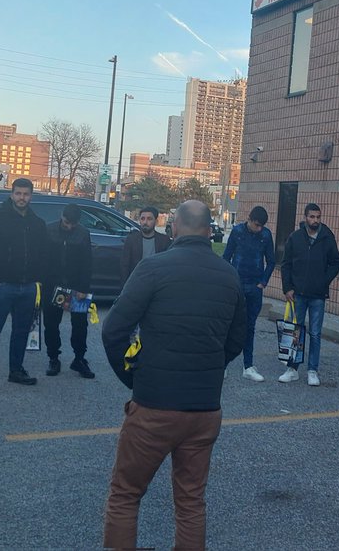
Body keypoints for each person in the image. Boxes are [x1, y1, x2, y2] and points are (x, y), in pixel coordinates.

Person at [100, 200, 246, 550]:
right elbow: (237, 339)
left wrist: (133, 377)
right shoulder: (229, 274)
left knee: (125, 494)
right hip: (204, 408)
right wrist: (207, 368)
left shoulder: (153, 268)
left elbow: (114, 330)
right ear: (210, 231)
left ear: (174, 228)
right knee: (191, 500)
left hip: (154, 405)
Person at [0, 178, 48, 389]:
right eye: (18, 193)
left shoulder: (37, 223)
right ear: (12, 194)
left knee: (21, 331)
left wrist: (39, 279)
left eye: (26, 194)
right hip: (3, 285)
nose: (21, 198)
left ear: (31, 196)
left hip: (28, 286)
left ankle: (16, 370)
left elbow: (44, 254)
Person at [279, 203, 339, 386]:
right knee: (295, 331)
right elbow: (286, 264)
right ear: (305, 217)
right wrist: (287, 287)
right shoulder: (295, 237)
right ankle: (292, 369)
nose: (315, 220)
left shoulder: (326, 237)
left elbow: (336, 262)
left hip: (318, 295)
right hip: (297, 293)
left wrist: (324, 281)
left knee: (315, 333)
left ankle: (312, 370)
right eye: (312, 216)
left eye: (318, 217)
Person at [222, 205, 276, 382]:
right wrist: (230, 280)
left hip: (255, 287)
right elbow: (226, 256)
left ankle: (248, 366)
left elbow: (271, 261)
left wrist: (263, 282)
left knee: (250, 327)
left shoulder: (266, 235)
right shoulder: (237, 232)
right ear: (250, 220)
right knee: (229, 325)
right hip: (237, 285)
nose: (259, 229)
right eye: (257, 225)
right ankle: (222, 365)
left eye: (261, 226)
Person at [44, 203, 96, 378]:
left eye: (73, 224)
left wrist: (83, 288)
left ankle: (79, 359)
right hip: (53, 285)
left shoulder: (83, 233)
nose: (69, 226)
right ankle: (53, 358)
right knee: (51, 324)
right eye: (67, 222)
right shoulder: (49, 230)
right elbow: (41, 258)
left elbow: (87, 263)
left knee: (80, 325)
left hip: (76, 286)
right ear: (62, 216)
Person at [121, 206, 170, 282]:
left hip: (157, 281)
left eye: (149, 219)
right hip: (136, 281)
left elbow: (167, 266)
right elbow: (125, 266)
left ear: (156, 221)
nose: (145, 222)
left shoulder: (164, 241)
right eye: (142, 219)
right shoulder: (131, 240)